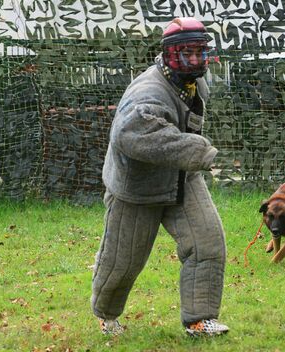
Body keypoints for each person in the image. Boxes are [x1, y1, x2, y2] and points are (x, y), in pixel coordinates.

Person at [91, 17, 229, 337]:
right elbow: (130, 134)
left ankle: (199, 320)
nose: (196, 60)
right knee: (121, 264)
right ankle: (107, 316)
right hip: (136, 187)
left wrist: (189, 158)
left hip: (181, 177)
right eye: (188, 53)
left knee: (207, 244)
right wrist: (199, 151)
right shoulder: (147, 93)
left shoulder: (193, 79)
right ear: (169, 55)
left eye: (200, 52)